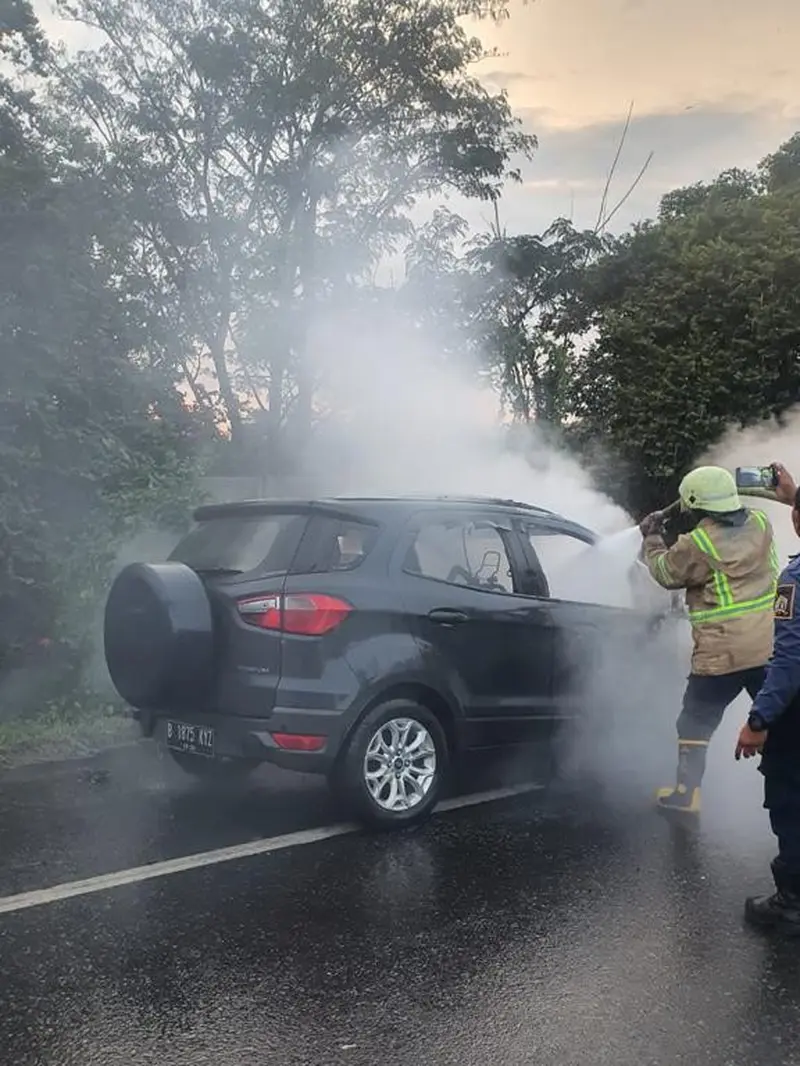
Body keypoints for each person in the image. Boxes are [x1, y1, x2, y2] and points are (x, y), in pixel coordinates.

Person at [640, 465, 779, 814]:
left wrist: (652, 537)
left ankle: (686, 795)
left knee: (694, 722)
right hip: (768, 647)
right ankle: (787, 785)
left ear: (696, 507)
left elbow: (665, 572)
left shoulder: (698, 543)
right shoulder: (761, 523)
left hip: (722, 656)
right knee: (777, 718)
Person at [736, 464, 800, 935]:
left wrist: (759, 719)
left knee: (789, 794)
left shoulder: (794, 581)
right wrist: (794, 495)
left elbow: (790, 659)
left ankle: (792, 902)